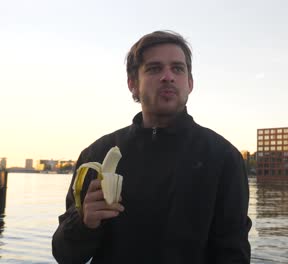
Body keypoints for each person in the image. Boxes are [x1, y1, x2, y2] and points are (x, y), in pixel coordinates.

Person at [52, 30, 251, 263]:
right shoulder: (96, 156)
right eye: (154, 68)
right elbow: (65, 255)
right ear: (132, 84)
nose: (168, 76)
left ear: (190, 83)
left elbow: (233, 254)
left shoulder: (223, 158)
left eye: (177, 68)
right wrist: (84, 223)